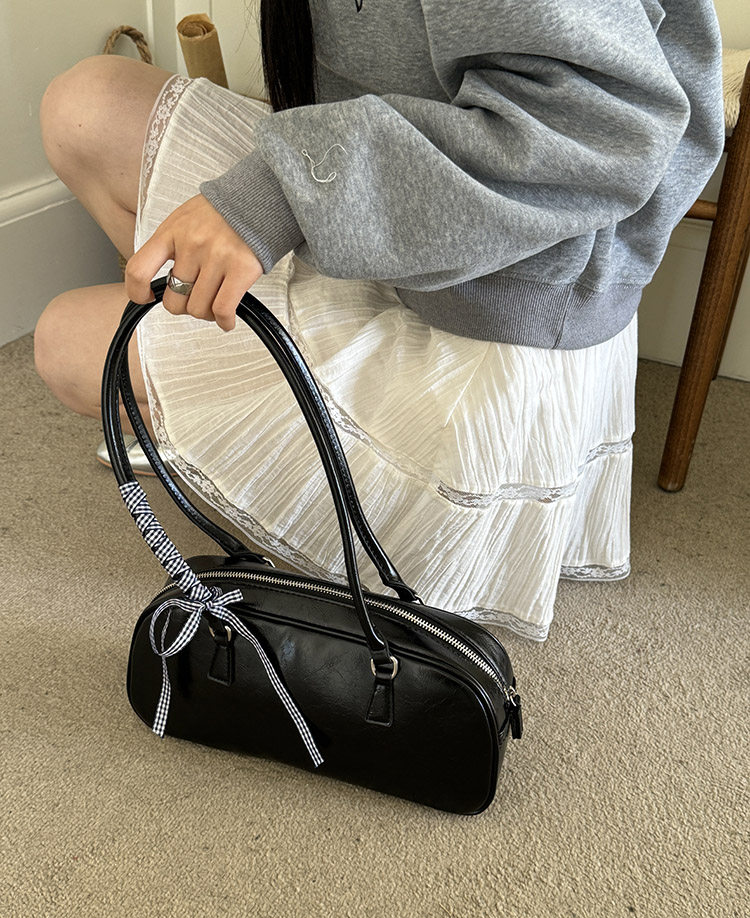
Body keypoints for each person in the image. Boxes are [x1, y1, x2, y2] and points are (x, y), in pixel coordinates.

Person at [34, 0, 725, 641]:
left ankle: (218, 420)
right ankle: (199, 401)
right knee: (84, 106)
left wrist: (281, 194)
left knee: (68, 346)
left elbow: (595, 127)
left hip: (495, 316)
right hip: (392, 218)